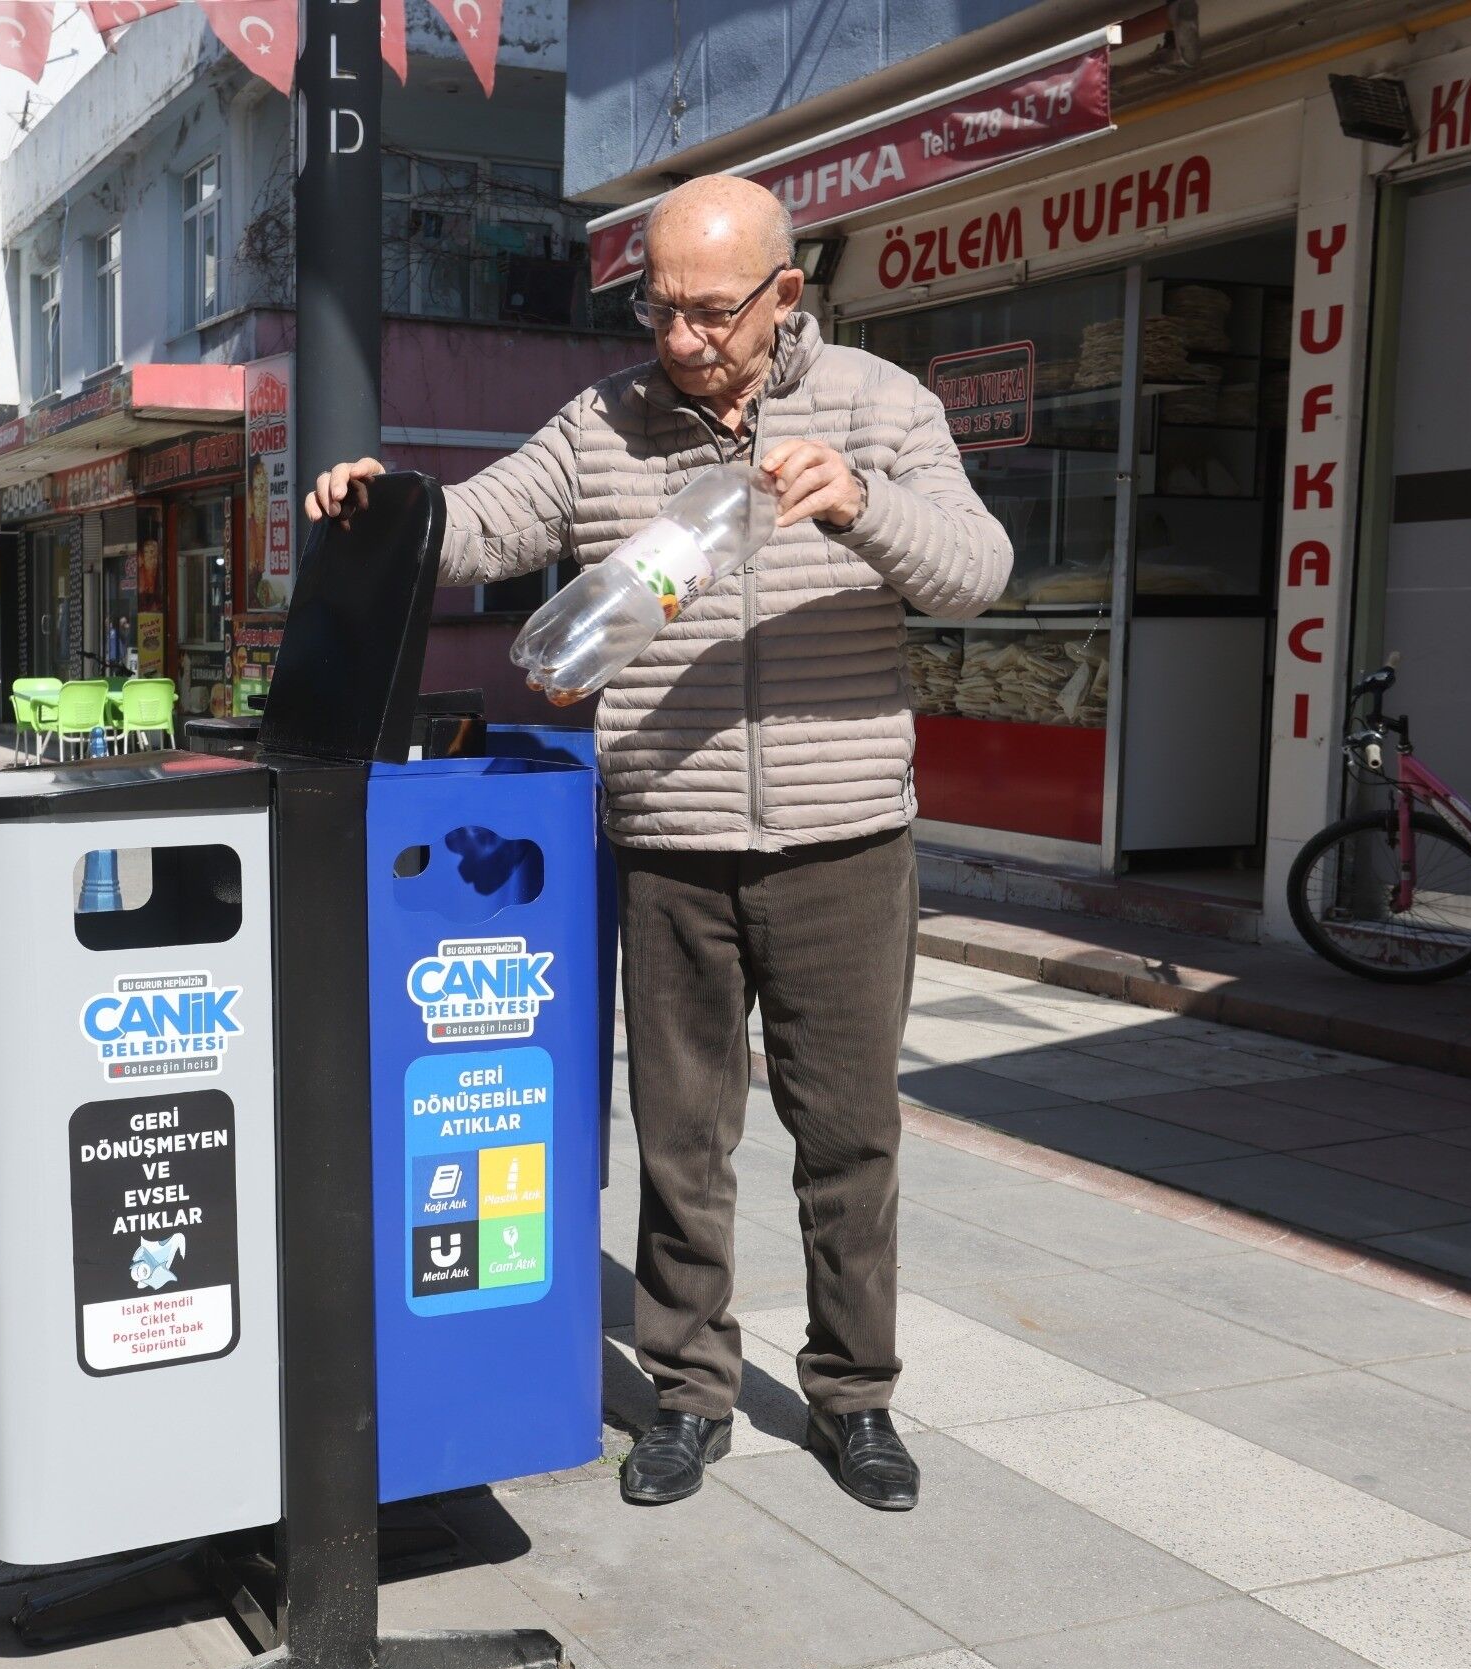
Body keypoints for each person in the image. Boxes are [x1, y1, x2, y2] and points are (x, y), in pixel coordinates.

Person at [307, 175, 1011, 1514]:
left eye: (710, 310)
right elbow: (489, 519)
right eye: (659, 307)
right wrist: (390, 502)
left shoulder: (881, 404)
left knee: (849, 1135)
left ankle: (854, 1393)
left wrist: (861, 502)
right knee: (682, 1132)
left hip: (844, 836)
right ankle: (687, 1392)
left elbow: (977, 566)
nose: (681, 337)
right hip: (672, 840)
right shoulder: (606, 422)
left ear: (784, 294)